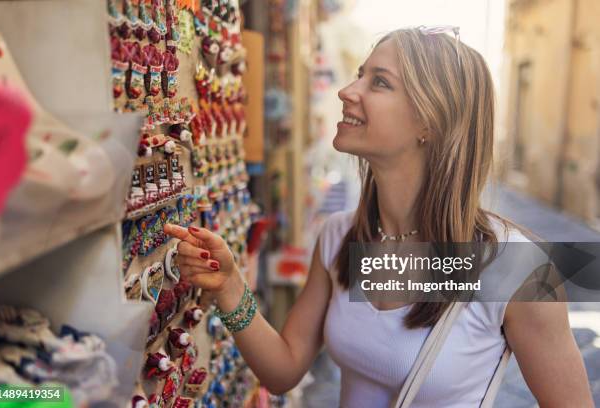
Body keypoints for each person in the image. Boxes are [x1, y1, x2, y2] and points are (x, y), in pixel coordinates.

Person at [165, 27, 593, 407]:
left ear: (431, 119)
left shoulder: (516, 267)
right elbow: (284, 370)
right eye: (360, 74)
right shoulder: (338, 238)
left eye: (380, 82)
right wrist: (230, 288)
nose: (347, 90)